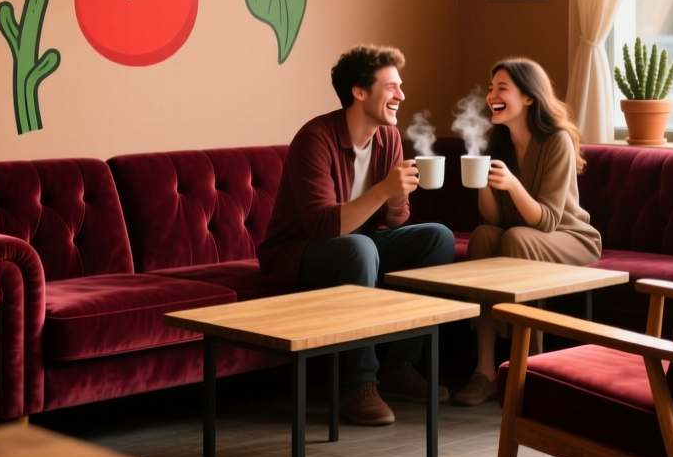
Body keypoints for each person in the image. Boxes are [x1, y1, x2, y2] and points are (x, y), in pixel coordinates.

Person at [257, 44, 456, 426]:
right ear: (359, 91)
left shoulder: (388, 137)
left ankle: (399, 366)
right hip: (298, 251)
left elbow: (396, 222)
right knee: (360, 248)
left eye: (401, 86)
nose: (401, 95)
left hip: (356, 245)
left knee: (437, 237)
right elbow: (321, 227)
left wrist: (397, 195)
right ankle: (360, 385)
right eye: (391, 86)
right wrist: (382, 190)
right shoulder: (315, 138)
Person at [450, 57, 602, 407]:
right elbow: (493, 219)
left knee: (518, 239)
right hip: (521, 232)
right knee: (485, 236)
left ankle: (529, 369)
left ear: (529, 97)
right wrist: (481, 182)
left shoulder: (557, 141)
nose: (492, 95)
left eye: (502, 88)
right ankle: (485, 370)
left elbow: (547, 220)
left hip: (572, 237)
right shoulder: (497, 139)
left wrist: (514, 185)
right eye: (491, 88)